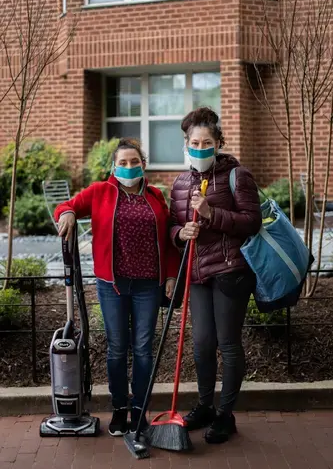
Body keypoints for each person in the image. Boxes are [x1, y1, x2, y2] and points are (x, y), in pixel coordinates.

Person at [54, 138, 179, 437]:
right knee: (117, 349)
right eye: (122, 162)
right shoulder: (100, 192)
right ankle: (120, 408)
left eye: (134, 161)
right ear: (113, 166)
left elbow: (168, 240)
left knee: (144, 349)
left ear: (143, 165)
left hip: (149, 284)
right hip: (113, 285)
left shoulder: (155, 196)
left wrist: (172, 275)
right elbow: (65, 205)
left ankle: (139, 410)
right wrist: (68, 213)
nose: (128, 167)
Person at [170, 107, 262, 444]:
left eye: (206, 142)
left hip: (229, 271)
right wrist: (181, 233)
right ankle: (206, 405)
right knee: (202, 344)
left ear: (218, 143)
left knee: (228, 344)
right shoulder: (180, 183)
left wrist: (211, 213)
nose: (199, 148)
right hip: (197, 274)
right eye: (194, 142)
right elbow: (172, 227)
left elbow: (251, 222)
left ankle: (226, 415)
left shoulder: (238, 176)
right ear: (186, 143)